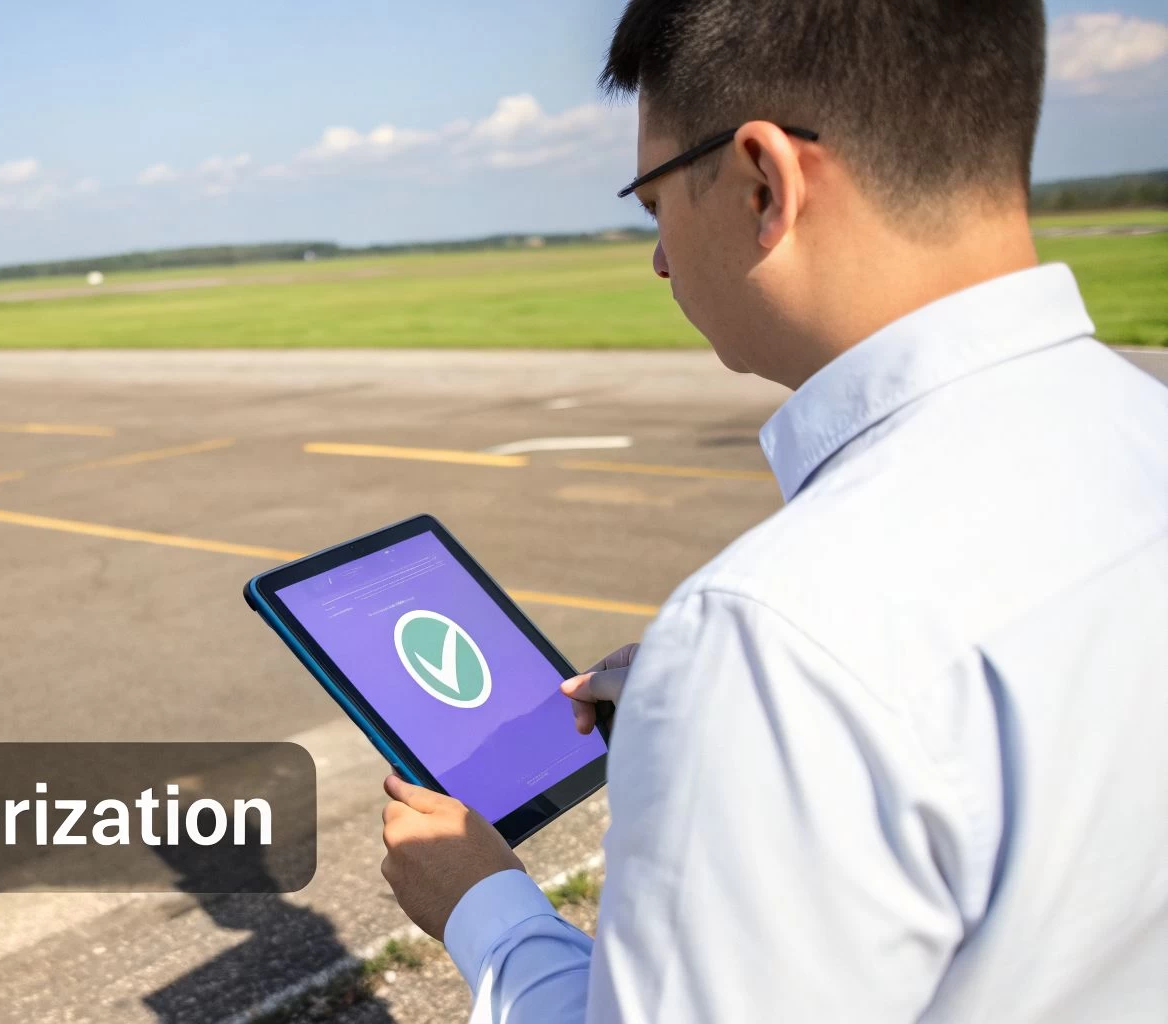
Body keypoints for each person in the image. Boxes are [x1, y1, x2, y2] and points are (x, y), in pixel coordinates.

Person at [375, 1, 1168, 1020]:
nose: (658, 258)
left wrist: (486, 910)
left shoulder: (771, 633)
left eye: (652, 202)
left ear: (761, 180)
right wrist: (706, 707)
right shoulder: (1139, 426)